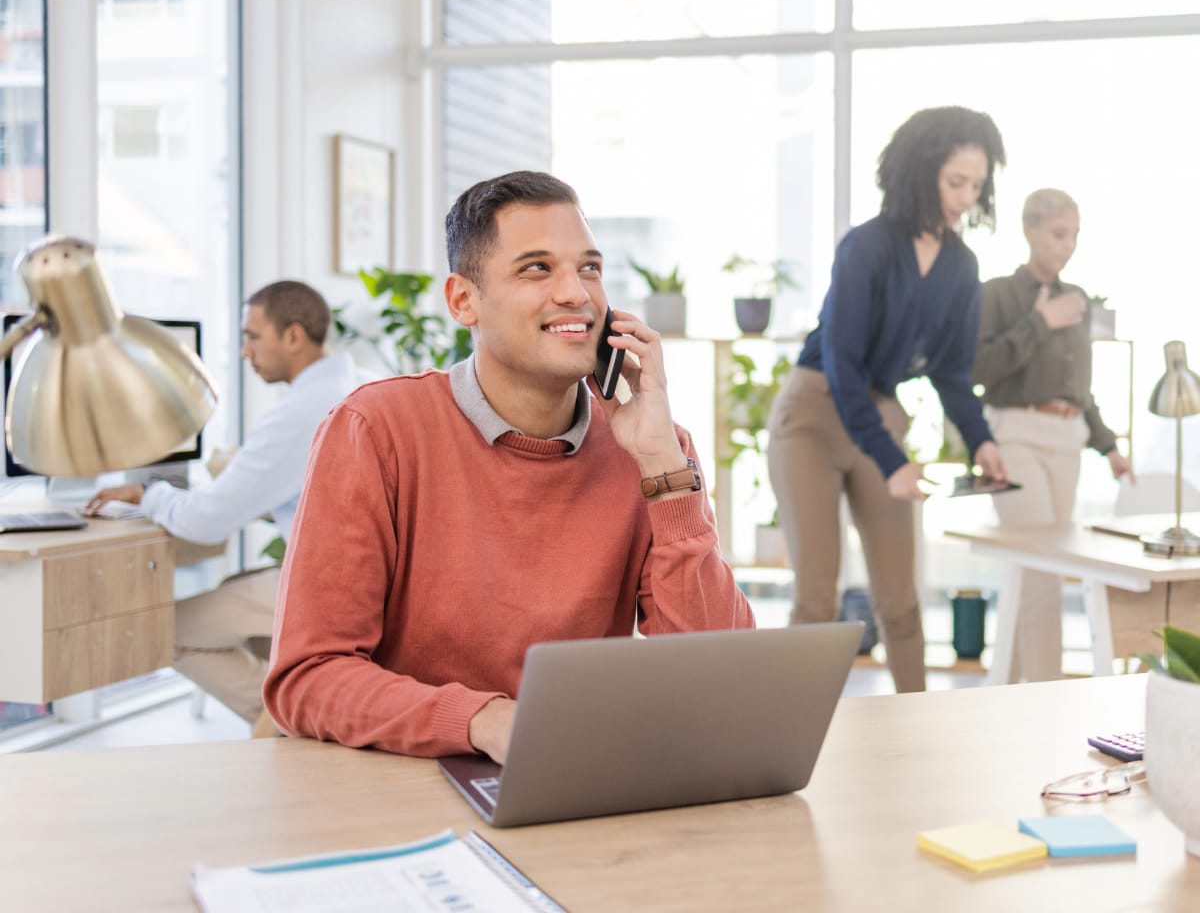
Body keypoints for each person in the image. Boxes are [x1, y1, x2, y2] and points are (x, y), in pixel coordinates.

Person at [263, 170, 754, 763]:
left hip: (571, 776)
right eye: (537, 268)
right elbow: (307, 676)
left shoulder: (651, 452)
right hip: (410, 784)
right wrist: (484, 720)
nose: (576, 293)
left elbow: (722, 682)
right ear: (463, 300)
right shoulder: (374, 429)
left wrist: (661, 468)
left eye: (590, 268)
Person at [766, 105, 1008, 694]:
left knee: (900, 602)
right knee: (817, 598)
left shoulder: (961, 266)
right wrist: (894, 460)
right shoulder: (866, 247)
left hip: (878, 414)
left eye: (976, 185)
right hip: (814, 417)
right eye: (956, 182)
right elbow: (843, 364)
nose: (965, 198)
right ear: (921, 172)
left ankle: (916, 731)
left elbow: (952, 372)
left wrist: (983, 441)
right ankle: (792, 736)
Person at [84, 280, 362, 725]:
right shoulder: (361, 384)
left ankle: (295, 722)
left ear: (293, 336)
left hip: (331, 591)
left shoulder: (300, 413)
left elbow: (205, 523)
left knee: (170, 630)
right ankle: (294, 715)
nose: (244, 352)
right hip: (365, 584)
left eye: (252, 337)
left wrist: (150, 494)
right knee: (243, 590)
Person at [973, 188, 1134, 682]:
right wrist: (1040, 323)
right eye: (1059, 234)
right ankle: (1046, 697)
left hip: (1068, 441)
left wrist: (1107, 444)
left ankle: (1007, 692)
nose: (1068, 246)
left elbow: (1078, 389)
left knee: (1035, 576)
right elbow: (980, 368)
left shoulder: (1077, 300)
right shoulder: (996, 293)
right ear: (1030, 230)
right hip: (1015, 435)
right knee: (1040, 575)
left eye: (1075, 236)